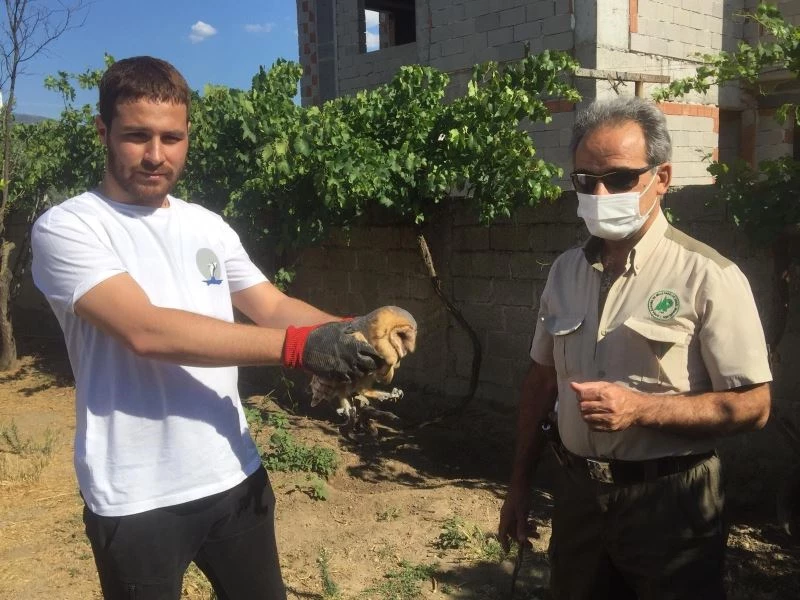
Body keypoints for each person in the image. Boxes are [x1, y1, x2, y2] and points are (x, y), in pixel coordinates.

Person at [30, 56, 383, 600]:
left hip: (232, 469)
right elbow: (147, 331)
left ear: (187, 136)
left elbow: (271, 305)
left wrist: (360, 330)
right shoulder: (69, 227)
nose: (156, 155)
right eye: (137, 136)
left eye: (171, 138)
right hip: (136, 494)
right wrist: (302, 348)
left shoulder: (207, 225)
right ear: (102, 131)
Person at [498, 96, 772, 599]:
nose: (600, 194)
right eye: (586, 181)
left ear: (660, 178)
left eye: (620, 179)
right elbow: (541, 380)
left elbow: (754, 405)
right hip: (579, 496)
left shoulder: (708, 276)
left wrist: (642, 410)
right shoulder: (564, 271)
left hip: (671, 504)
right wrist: (518, 484)